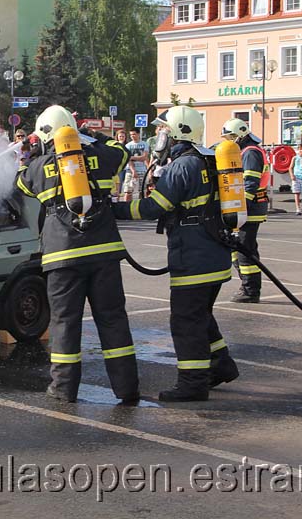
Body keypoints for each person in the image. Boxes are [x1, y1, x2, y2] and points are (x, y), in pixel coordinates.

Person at [113, 106, 238, 402]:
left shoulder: (182, 166)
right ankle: (220, 364)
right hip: (213, 255)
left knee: (185, 321)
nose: (160, 136)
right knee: (200, 315)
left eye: (164, 130)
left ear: (179, 132)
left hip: (193, 256)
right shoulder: (207, 159)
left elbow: (153, 207)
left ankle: (193, 383)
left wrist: (113, 209)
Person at [15, 105, 139, 405]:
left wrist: (31, 153)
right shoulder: (103, 156)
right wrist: (87, 134)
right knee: (113, 320)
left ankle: (63, 388)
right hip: (104, 252)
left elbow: (20, 183)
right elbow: (120, 150)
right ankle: (127, 389)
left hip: (62, 256)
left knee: (65, 323)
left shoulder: (39, 167)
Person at [220, 118, 268, 304]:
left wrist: (241, 206)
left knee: (244, 249)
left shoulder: (250, 153)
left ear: (239, 135)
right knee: (236, 247)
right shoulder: (246, 151)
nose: (228, 141)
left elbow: (250, 183)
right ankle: (247, 285)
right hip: (246, 207)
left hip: (251, 207)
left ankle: (250, 290)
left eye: (230, 137)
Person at [123, 130, 149, 201]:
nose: (132, 136)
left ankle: (142, 207)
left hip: (142, 170)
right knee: (128, 190)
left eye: (134, 134)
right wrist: (133, 171)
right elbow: (128, 160)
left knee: (142, 191)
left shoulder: (145, 144)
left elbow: (144, 157)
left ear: (138, 134)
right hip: (130, 171)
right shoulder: (128, 145)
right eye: (131, 135)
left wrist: (132, 157)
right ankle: (127, 207)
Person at [291, 144, 302, 215]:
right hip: (296, 177)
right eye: (300, 149)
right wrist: (292, 175)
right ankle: (298, 208)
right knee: (296, 193)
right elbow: (290, 167)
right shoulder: (295, 158)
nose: (301, 151)